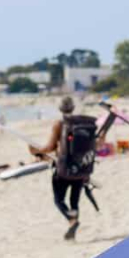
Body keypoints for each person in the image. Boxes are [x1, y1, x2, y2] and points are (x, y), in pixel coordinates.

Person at [30, 96, 95, 240]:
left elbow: (50, 147)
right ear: (73, 108)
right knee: (74, 201)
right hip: (81, 169)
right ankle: (73, 226)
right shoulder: (84, 123)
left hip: (64, 169)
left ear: (60, 109)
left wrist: (35, 150)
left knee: (59, 200)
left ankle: (72, 221)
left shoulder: (60, 124)